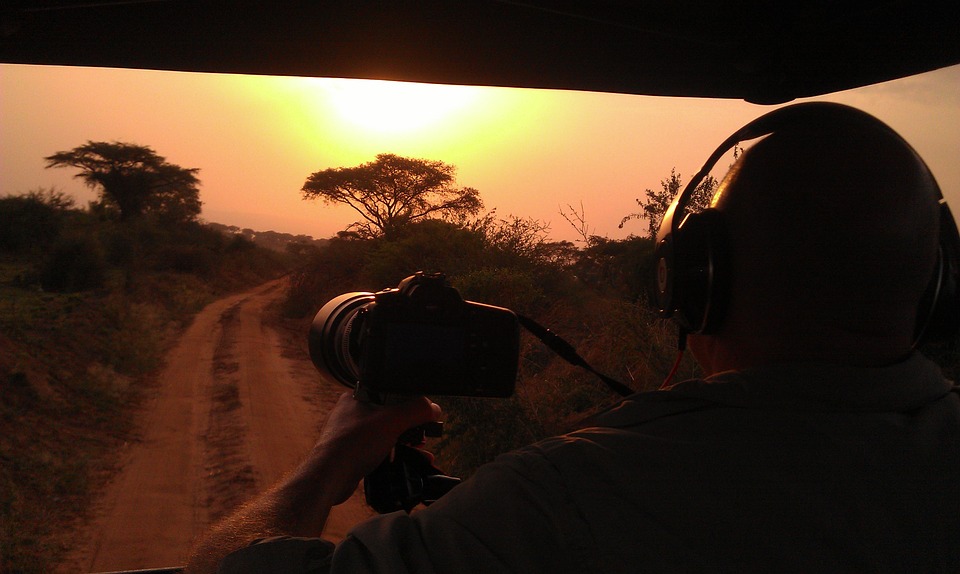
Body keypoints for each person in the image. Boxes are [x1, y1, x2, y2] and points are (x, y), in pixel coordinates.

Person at [185, 105, 960, 573]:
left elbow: (227, 570)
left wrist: (331, 458)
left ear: (692, 279)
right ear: (935, 284)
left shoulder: (568, 499)